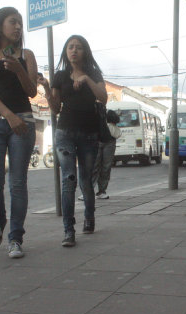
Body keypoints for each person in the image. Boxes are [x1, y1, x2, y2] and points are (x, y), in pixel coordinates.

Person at [0, 7, 38, 258]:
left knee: (18, 183)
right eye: (13, 22)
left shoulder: (27, 55)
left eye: (21, 24)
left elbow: (32, 91)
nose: (18, 27)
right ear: (0, 25)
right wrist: (8, 116)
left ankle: (15, 238)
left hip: (23, 122)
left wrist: (19, 69)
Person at [38, 35, 108, 247]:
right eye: (70, 47)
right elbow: (55, 108)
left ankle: (89, 216)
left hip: (89, 134)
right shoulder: (60, 76)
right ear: (66, 51)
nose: (74, 50)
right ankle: (69, 230)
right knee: (69, 180)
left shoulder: (94, 73)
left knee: (86, 180)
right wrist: (47, 88)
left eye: (78, 47)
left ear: (85, 51)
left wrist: (86, 80)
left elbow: (103, 97)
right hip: (65, 132)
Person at [92, 109, 121, 199]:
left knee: (96, 167)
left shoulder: (101, 119)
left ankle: (90, 190)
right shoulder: (114, 127)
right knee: (105, 167)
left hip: (100, 142)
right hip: (108, 143)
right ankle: (100, 191)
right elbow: (117, 134)